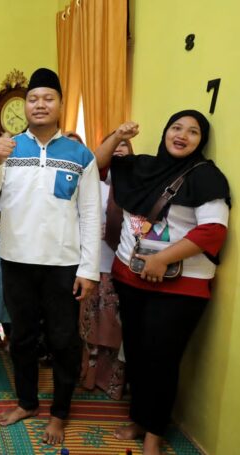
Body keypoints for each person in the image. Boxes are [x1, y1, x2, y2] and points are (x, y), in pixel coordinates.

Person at [93, 113, 230, 455]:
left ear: (203, 140)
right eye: (176, 128)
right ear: (165, 131)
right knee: (137, 354)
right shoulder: (140, 167)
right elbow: (97, 163)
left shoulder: (207, 176)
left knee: (162, 359)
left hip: (181, 286)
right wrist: (117, 133)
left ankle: (155, 432)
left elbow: (213, 229)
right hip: (130, 276)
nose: (182, 135)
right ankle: (139, 419)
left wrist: (162, 259)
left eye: (193, 131)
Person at [0, 68, 101, 445]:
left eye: (48, 98)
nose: (40, 104)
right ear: (25, 106)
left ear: (61, 104)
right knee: (21, 339)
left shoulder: (80, 155)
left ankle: (60, 413)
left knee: (64, 341)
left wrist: (89, 269)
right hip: (16, 261)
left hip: (63, 266)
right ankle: (27, 402)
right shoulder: (10, 147)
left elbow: (91, 214)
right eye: (34, 99)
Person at [78, 136, 133, 400]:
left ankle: (112, 382)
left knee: (115, 328)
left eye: (125, 149)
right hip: (93, 264)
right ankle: (88, 377)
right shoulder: (93, 184)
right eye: (114, 148)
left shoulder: (137, 187)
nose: (119, 153)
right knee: (91, 326)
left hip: (122, 266)